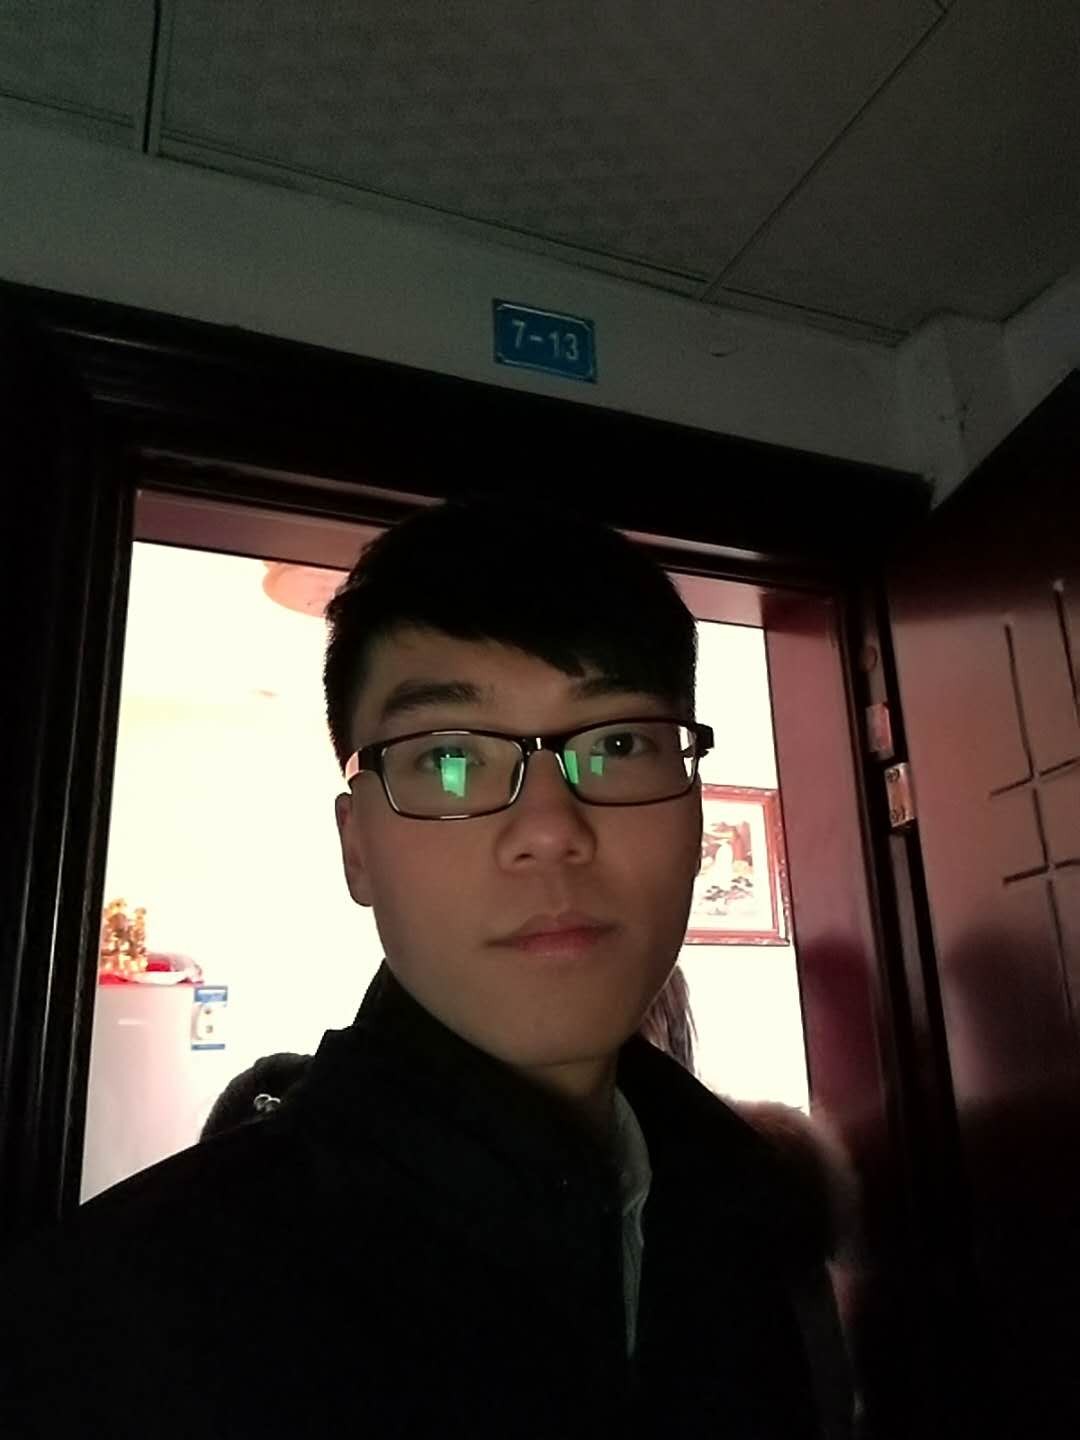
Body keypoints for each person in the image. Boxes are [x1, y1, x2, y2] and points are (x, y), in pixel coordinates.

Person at [0, 494, 853, 1438]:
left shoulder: (752, 1215)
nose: (549, 831)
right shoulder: (114, 1322)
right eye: (448, 759)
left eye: (618, 744)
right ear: (356, 848)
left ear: (696, 814)